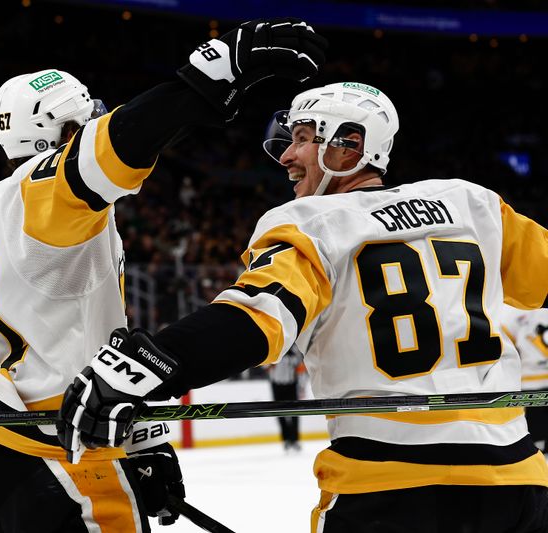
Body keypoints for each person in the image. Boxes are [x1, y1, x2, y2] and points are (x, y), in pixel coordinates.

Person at [58, 81, 548, 532]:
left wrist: (148, 363)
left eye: (303, 138)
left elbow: (255, 321)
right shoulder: (472, 205)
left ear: (350, 144)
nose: (287, 155)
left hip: (392, 489)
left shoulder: (313, 223)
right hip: (520, 487)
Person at [0, 18, 327, 533]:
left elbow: (81, 336)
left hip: (29, 441)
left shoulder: (23, 207)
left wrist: (143, 445)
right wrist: (208, 75)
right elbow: (125, 141)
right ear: (60, 132)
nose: (101, 121)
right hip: (56, 452)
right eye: (88, 119)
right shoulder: (43, 192)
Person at [501, 304, 548, 452]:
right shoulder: (520, 313)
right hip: (529, 388)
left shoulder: (519, 312)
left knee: (534, 442)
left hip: (530, 386)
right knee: (534, 440)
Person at [268, 344, 303, 453]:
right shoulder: (274, 347)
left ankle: (295, 439)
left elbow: (300, 368)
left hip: (291, 384)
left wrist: (301, 387)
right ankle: (286, 439)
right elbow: (267, 366)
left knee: (295, 413)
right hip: (277, 384)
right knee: (279, 413)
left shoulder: (294, 350)